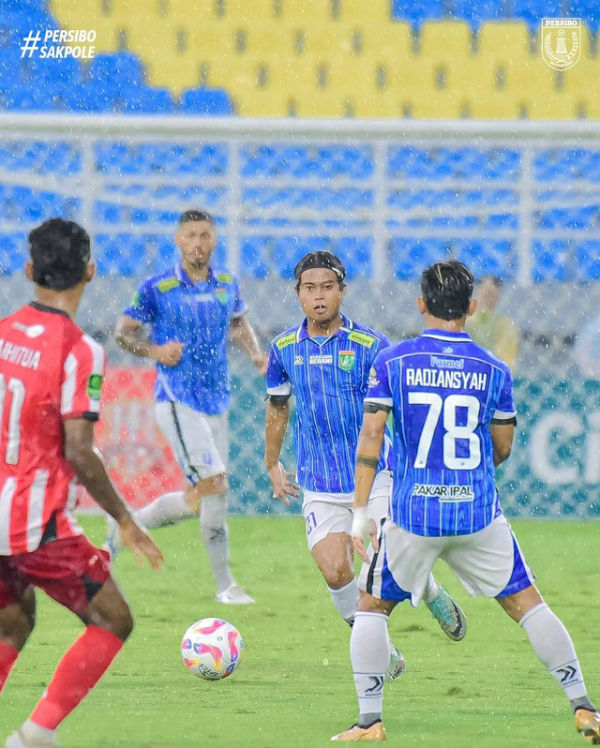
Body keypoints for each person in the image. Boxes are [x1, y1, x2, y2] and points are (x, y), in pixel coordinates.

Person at [332, 259, 600, 743]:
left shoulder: (392, 361)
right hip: (477, 512)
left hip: (415, 514)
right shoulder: (493, 369)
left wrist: (359, 510)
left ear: (420, 305)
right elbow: (502, 447)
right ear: (471, 307)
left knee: (371, 607)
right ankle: (584, 705)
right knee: (529, 605)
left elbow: (371, 435)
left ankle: (370, 720)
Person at [265, 251, 467, 682]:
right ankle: (379, 647)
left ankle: (428, 589)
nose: (318, 297)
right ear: (297, 294)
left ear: (342, 291)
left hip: (374, 477)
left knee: (385, 560)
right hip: (319, 482)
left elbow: (403, 410)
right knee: (335, 570)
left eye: (327, 287)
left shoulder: (372, 347)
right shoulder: (283, 348)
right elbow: (278, 408)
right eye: (309, 288)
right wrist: (272, 464)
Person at [0, 219, 163, 748]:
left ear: (29, 270)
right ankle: (35, 737)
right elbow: (79, 451)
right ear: (91, 272)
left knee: (13, 622)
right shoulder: (78, 349)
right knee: (113, 618)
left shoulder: (3, 333)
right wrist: (124, 518)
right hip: (32, 522)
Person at [108, 209, 266, 605]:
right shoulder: (156, 288)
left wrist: (257, 354)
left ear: (214, 240)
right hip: (178, 399)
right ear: (178, 240)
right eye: (191, 235)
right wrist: (155, 350)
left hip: (217, 401)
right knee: (215, 485)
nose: (198, 242)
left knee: (203, 497)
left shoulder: (227, 284)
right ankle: (225, 585)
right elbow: (123, 333)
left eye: (205, 235)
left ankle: (122, 529)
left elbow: (237, 323)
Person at [467, 275, 519, 371]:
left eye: (492, 296)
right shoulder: (464, 320)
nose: (488, 300)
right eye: (485, 295)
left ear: (498, 297)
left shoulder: (505, 324)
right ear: (477, 292)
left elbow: (506, 362)